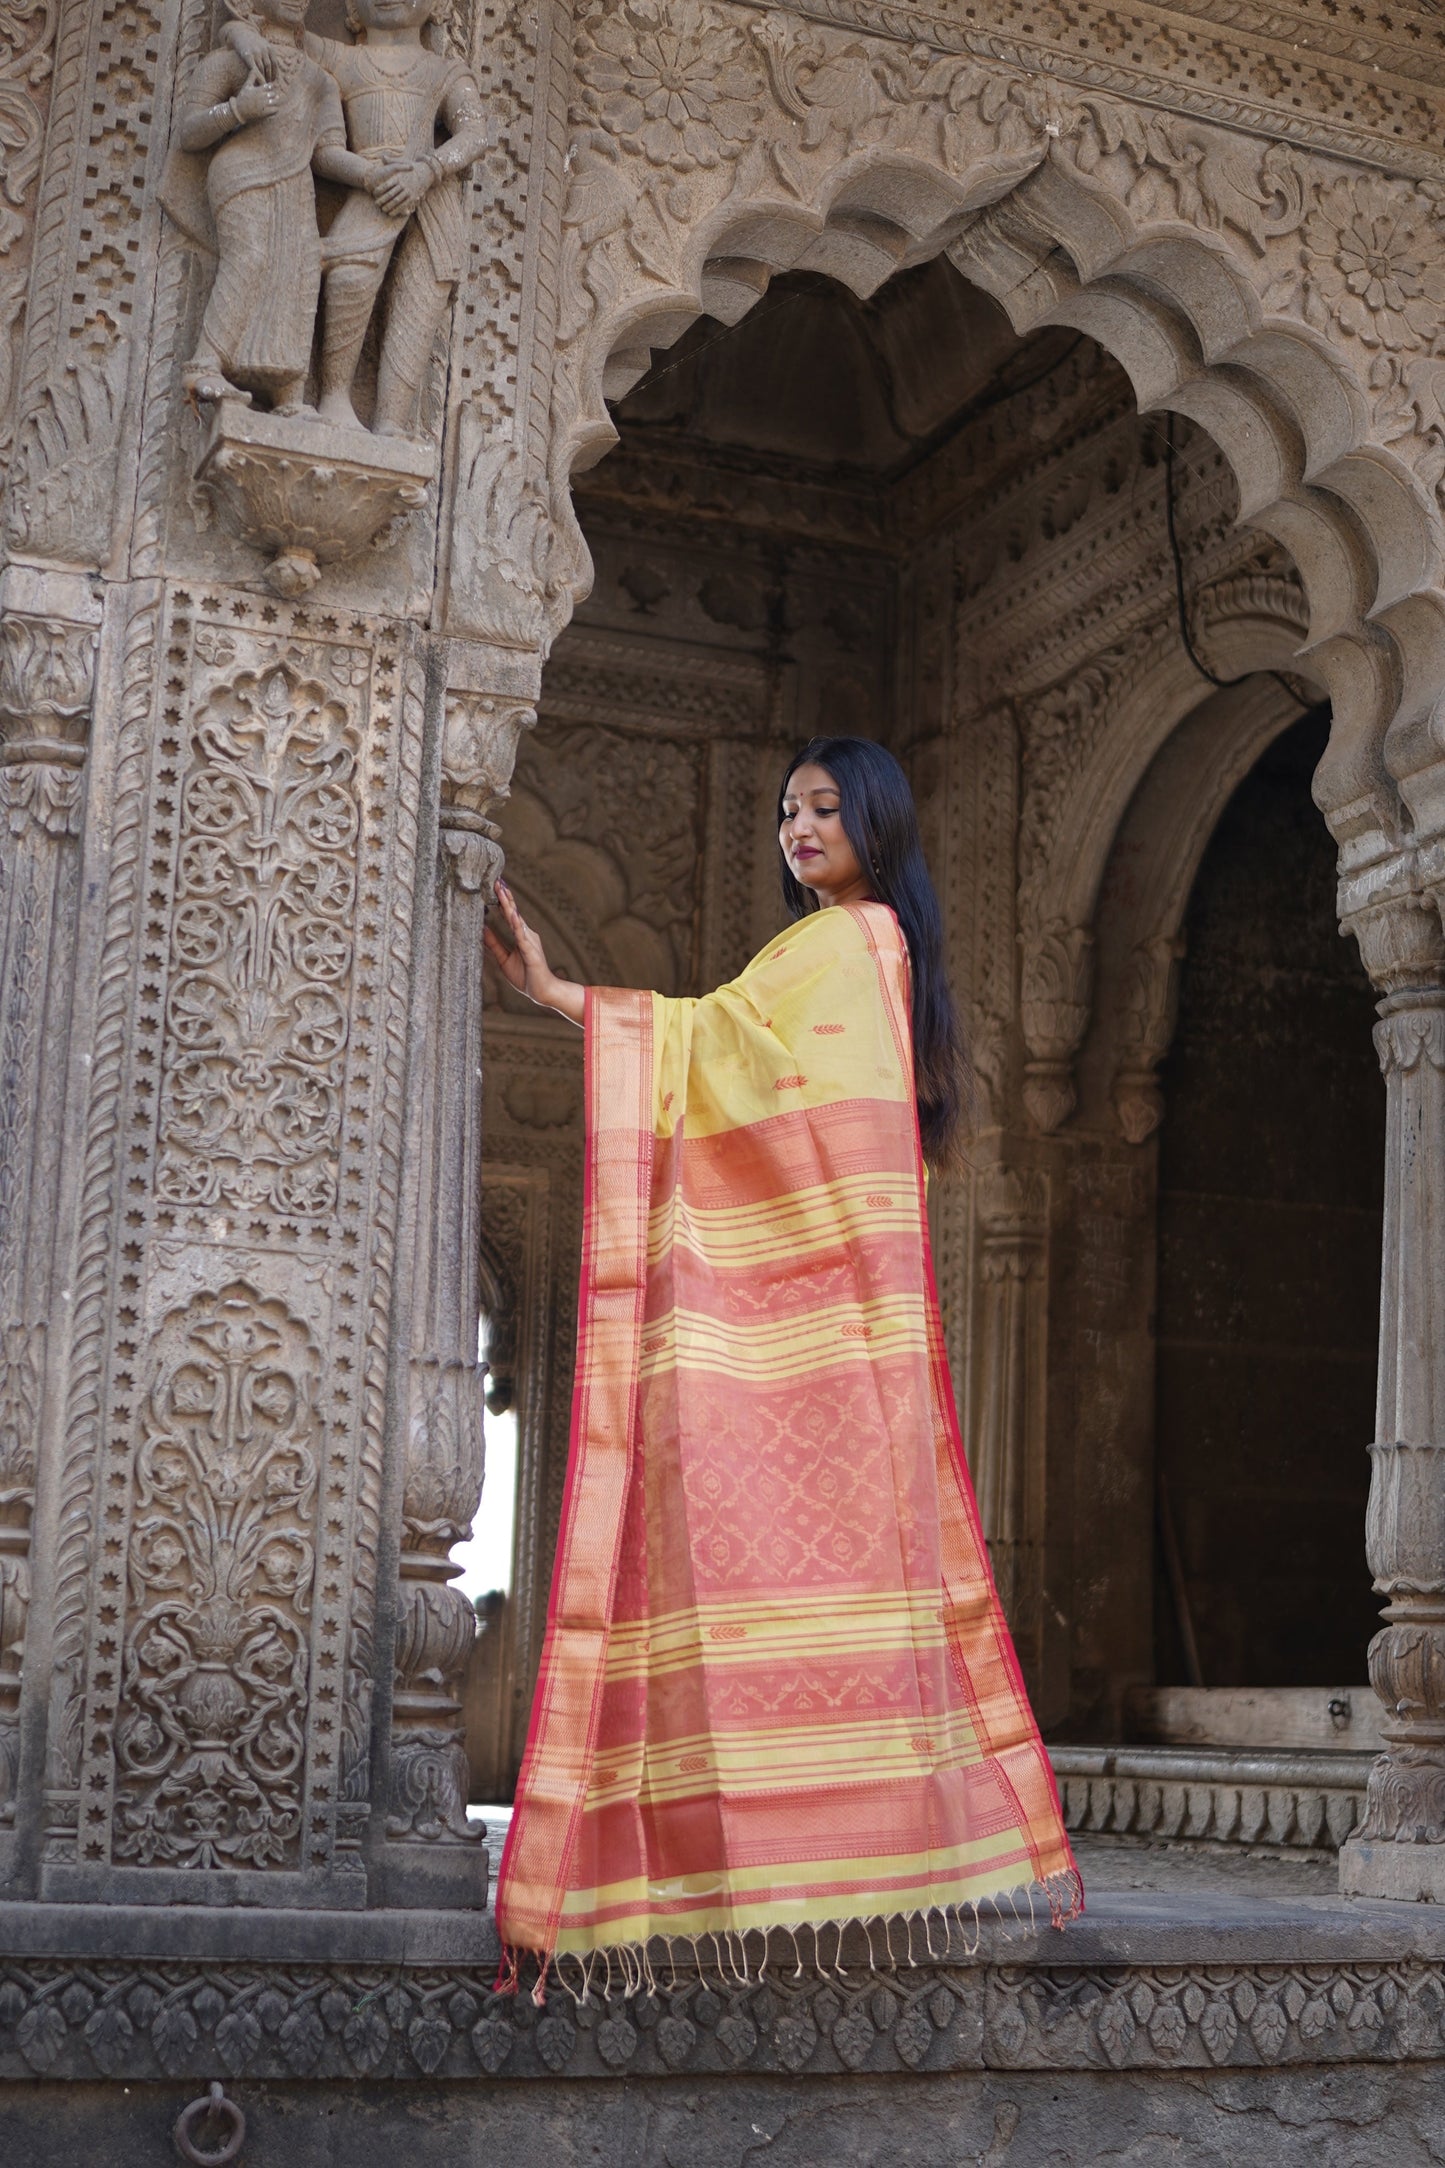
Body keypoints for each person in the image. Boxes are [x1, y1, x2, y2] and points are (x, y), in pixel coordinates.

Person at [483, 736, 1079, 1988]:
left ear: (876, 821)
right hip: (844, 1309)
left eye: (823, 806)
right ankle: (817, 1852)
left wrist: (560, 997)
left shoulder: (854, 943)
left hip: (827, 1301)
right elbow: (724, 1044)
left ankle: (806, 1859)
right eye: (784, 809)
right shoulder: (829, 951)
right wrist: (554, 992)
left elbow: (728, 1055)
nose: (797, 826)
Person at [162, 0, 375, 413]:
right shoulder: (231, 62)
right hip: (242, 172)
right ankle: (205, 362)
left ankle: (288, 391)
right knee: (250, 257)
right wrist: (239, 109)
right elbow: (190, 132)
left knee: (299, 269)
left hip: (296, 179)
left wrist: (370, 174)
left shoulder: (319, 80)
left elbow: (327, 153)